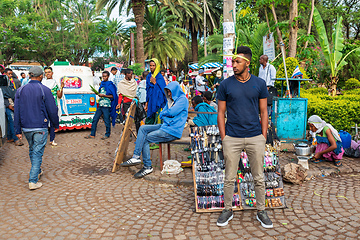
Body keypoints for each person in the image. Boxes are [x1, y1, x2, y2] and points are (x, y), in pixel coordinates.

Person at [216, 46, 272, 228]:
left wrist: (263, 136)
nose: (233, 65)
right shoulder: (225, 85)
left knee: (258, 177)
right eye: (233, 61)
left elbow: (264, 112)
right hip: (232, 137)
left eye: (237, 61)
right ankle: (227, 209)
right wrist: (224, 137)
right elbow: (221, 113)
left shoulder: (259, 84)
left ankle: (261, 211)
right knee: (229, 177)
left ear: (247, 63)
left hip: (255, 136)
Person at [120, 82, 188, 178]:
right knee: (143, 128)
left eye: (170, 92)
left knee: (146, 138)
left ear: (175, 91)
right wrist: (167, 115)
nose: (169, 94)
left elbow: (172, 112)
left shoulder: (182, 100)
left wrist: (166, 115)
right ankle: (136, 157)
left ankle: (148, 166)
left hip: (173, 130)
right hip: (166, 126)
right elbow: (162, 113)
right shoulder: (170, 101)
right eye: (167, 92)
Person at [14, 66, 59, 190]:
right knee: (37, 152)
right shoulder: (44, 89)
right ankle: (33, 180)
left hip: (26, 127)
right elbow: (52, 110)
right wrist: (55, 125)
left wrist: (17, 130)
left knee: (33, 149)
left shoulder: (20, 90)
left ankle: (38, 171)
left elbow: (16, 111)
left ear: (29, 75)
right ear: (41, 76)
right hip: (40, 126)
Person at [85, 71, 118, 140]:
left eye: (105, 76)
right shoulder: (102, 84)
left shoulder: (110, 85)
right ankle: (92, 134)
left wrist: (104, 95)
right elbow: (101, 93)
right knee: (95, 119)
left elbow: (113, 96)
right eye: (103, 76)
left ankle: (107, 134)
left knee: (107, 120)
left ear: (108, 76)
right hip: (100, 104)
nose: (104, 78)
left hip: (106, 105)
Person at [42, 67, 64, 146]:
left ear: (52, 73)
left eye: (49, 72)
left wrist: (62, 88)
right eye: (46, 72)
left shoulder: (55, 83)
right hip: (44, 106)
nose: (47, 73)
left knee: (52, 124)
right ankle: (42, 141)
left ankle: (52, 139)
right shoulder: (42, 83)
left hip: (54, 106)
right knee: (44, 123)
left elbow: (59, 96)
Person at [3, 68, 23, 146]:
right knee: (12, 120)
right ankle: (16, 139)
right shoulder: (3, 83)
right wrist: (8, 105)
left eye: (11, 74)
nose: (10, 76)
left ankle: (10, 137)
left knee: (10, 120)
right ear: (5, 74)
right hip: (7, 104)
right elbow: (4, 95)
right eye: (9, 74)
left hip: (11, 103)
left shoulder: (11, 82)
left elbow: (13, 93)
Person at [145, 59, 167, 125]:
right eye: (150, 65)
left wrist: (155, 83)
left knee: (158, 120)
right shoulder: (149, 76)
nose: (151, 67)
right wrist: (146, 103)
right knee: (149, 120)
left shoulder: (159, 77)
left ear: (156, 66)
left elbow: (163, 91)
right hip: (150, 102)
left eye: (153, 65)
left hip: (158, 102)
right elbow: (148, 91)